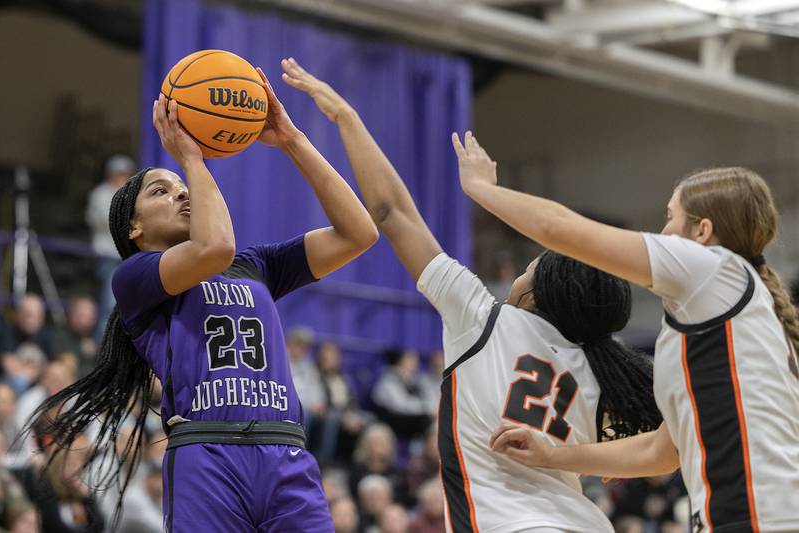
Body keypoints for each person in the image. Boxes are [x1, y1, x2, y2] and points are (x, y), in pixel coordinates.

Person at [281, 58, 661, 532]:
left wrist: (347, 119)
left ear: (537, 292)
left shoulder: (482, 318)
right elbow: (664, 453)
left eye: (526, 268)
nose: (516, 276)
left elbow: (392, 211)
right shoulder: (606, 369)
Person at [27, 65, 378, 533]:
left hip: (286, 451)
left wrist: (292, 139)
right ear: (135, 228)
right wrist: (191, 156)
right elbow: (214, 248)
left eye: (183, 188)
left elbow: (359, 233)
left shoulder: (257, 266)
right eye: (161, 191)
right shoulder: (135, 278)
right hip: (207, 453)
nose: (182, 193)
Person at [455, 138, 799, 531]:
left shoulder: (714, 270)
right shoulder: (731, 313)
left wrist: (481, 189)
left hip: (758, 515)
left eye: (670, 217)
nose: (663, 230)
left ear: (703, 231)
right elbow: (661, 452)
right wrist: (553, 456)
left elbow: (562, 230)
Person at [87, 154, 135, 333]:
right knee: (109, 300)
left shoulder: (131, 194)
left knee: (127, 301)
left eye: (125, 173)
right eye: (118, 173)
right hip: (108, 254)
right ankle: (104, 340)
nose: (122, 177)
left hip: (128, 255)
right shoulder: (100, 194)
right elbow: (109, 221)